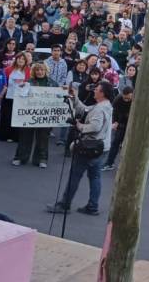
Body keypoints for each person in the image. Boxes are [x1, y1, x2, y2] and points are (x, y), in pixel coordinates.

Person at [47, 81, 113, 216]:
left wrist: (80, 126)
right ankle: (92, 206)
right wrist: (75, 98)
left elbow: (95, 127)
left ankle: (64, 205)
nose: (94, 91)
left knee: (75, 175)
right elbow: (85, 110)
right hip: (102, 147)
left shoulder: (100, 109)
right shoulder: (105, 106)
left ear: (102, 93)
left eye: (97, 89)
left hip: (89, 146)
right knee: (95, 177)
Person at [13, 62, 56, 168]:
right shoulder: (28, 82)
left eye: (42, 70)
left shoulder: (53, 83)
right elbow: (21, 97)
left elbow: (57, 98)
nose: (40, 72)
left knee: (43, 138)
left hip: (45, 115)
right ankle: (20, 158)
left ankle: (42, 159)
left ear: (46, 71)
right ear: (34, 71)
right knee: (25, 136)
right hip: (29, 114)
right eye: (37, 70)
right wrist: (20, 88)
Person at [104, 86, 133, 171]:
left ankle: (126, 165)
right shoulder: (118, 99)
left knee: (128, 146)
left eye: (128, 98)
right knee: (115, 143)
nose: (126, 100)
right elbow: (114, 111)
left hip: (133, 123)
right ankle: (109, 163)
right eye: (125, 98)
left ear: (132, 95)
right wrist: (115, 121)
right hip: (121, 122)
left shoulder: (137, 100)